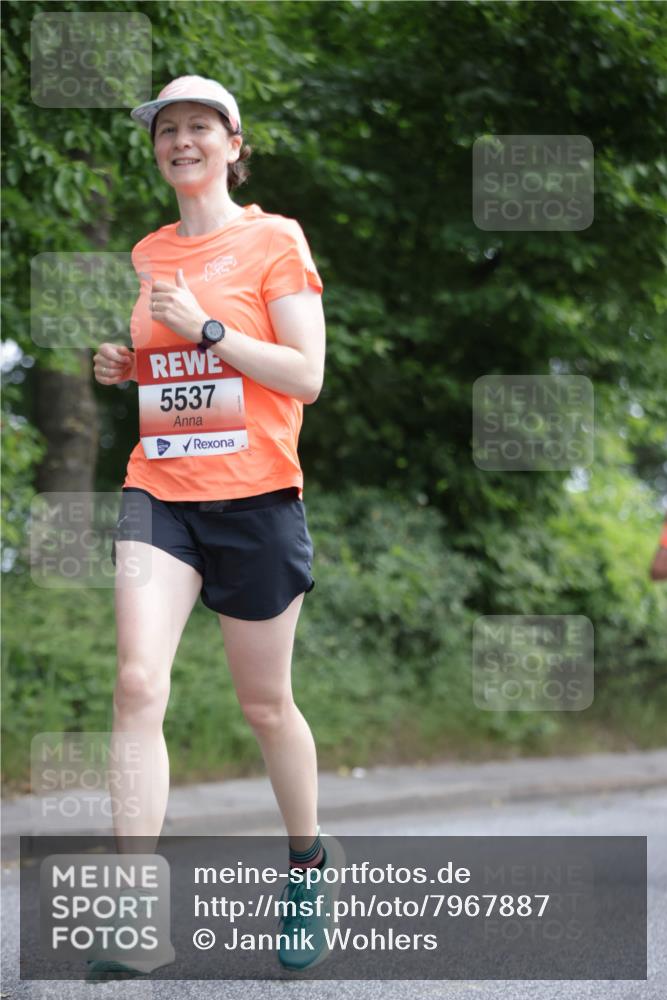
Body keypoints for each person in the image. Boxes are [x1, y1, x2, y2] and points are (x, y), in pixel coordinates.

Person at [91, 76, 343, 978]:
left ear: (234, 144)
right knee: (135, 684)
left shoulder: (275, 240)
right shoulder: (149, 250)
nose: (181, 141)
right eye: (167, 129)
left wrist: (203, 329)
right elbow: (177, 375)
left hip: (257, 498)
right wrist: (129, 365)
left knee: (264, 704)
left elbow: (305, 375)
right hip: (160, 491)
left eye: (199, 126)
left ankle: (307, 866)